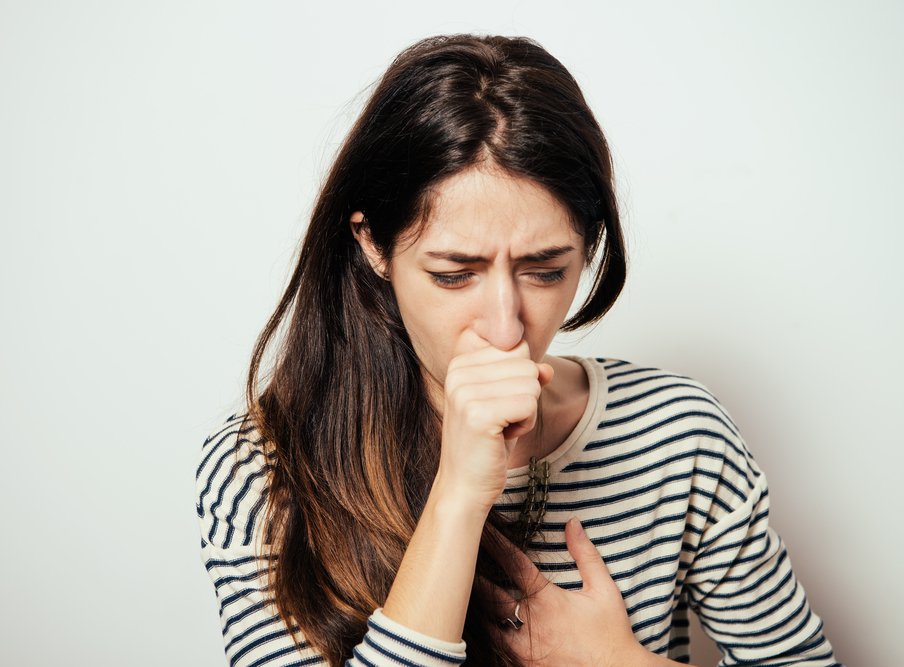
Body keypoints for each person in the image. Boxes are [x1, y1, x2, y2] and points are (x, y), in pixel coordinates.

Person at [195, 34, 840, 666]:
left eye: (545, 270)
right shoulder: (264, 469)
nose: (506, 329)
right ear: (372, 247)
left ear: (589, 246)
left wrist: (615, 662)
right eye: (453, 274)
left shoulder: (680, 434)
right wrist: (458, 496)